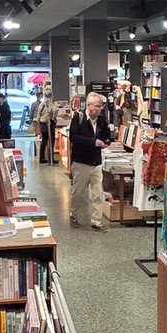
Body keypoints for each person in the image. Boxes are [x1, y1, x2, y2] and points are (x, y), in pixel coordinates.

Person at [69, 92, 112, 232]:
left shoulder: (102, 119)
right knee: (78, 192)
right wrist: (93, 142)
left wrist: (106, 142)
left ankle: (96, 221)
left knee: (97, 193)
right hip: (81, 162)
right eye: (97, 106)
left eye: (101, 106)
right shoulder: (79, 117)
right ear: (88, 105)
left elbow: (107, 136)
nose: (100, 109)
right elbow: (73, 137)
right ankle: (73, 215)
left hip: (96, 162)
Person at [34, 84, 56, 164]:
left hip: (43, 124)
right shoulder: (52, 105)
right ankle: (51, 158)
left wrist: (39, 123)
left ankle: (42, 158)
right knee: (51, 142)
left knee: (44, 141)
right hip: (49, 123)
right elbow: (54, 114)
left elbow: (38, 116)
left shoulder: (41, 105)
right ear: (52, 96)